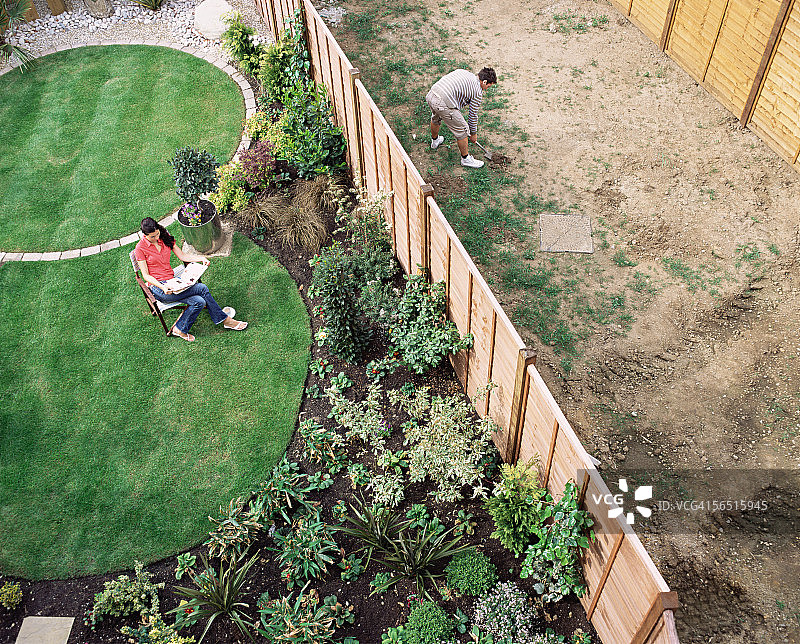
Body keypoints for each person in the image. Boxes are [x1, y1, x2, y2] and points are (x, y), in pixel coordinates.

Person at [134, 217, 247, 342]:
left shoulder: (164, 236)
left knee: (199, 301)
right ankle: (226, 320)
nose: (156, 238)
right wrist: (163, 287)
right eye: (152, 237)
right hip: (160, 289)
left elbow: (182, 255)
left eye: (157, 234)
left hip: (173, 282)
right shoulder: (140, 249)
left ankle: (180, 329)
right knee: (202, 288)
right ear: (144, 235)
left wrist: (201, 258)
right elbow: (146, 275)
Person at [426, 67, 497, 168]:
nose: (487, 89)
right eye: (488, 86)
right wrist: (473, 134)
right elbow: (472, 116)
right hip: (442, 103)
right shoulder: (477, 92)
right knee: (463, 130)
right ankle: (466, 159)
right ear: (484, 82)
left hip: (432, 94)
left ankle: (435, 141)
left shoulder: (463, 72)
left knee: (436, 117)